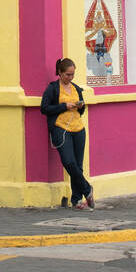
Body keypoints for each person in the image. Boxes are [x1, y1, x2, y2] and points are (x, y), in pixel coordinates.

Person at [41, 58, 94, 210]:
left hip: (78, 129)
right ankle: (87, 189)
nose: (70, 78)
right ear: (60, 73)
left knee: (78, 165)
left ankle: (77, 200)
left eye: (72, 74)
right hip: (60, 128)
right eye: (67, 75)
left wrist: (80, 105)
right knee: (68, 162)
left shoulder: (77, 88)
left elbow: (81, 111)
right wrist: (64, 106)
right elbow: (44, 108)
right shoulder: (53, 89)